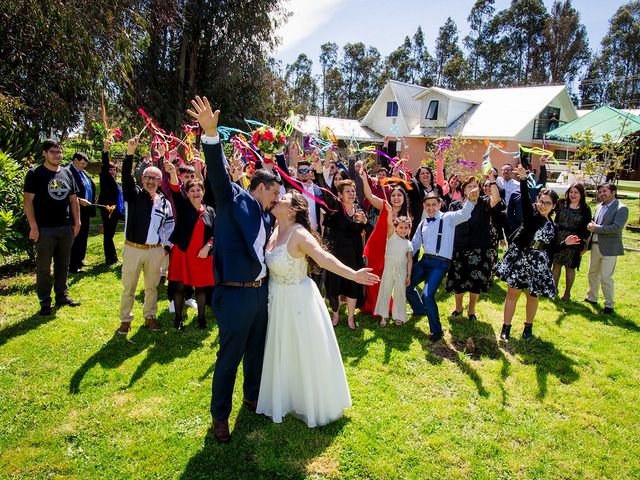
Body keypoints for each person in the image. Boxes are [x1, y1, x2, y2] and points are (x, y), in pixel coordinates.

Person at [187, 96, 282, 443]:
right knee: (229, 359)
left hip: (260, 297)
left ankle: (253, 396)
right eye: (274, 192)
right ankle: (219, 416)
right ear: (259, 188)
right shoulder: (233, 199)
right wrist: (211, 135)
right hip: (235, 295)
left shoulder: (267, 213)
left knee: (256, 352)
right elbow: (216, 173)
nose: (277, 198)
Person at [257, 192, 379, 427]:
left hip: (298, 301)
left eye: (282, 198)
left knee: (302, 350)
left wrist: (354, 274)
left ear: (292, 210)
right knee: (282, 348)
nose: (276, 199)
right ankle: (285, 394)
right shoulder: (274, 227)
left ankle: (311, 400)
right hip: (276, 299)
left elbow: (323, 259)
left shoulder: (299, 234)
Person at [496, 165, 580, 340]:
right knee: (513, 294)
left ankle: (528, 327)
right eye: (541, 202)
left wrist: (566, 243)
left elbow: (552, 250)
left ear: (554, 206)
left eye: (547, 203)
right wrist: (524, 179)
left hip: (538, 265)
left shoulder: (553, 226)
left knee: (532, 297)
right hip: (521, 259)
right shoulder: (531, 217)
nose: (543, 205)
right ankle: (506, 328)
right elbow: (525, 201)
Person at [117, 137, 175, 335]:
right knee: (129, 288)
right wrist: (130, 153)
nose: (151, 182)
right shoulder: (133, 195)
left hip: (155, 251)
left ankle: (150, 317)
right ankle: (125, 320)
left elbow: (168, 227)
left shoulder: (164, 202)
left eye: (155, 179)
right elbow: (126, 176)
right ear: (142, 179)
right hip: (133, 249)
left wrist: (166, 247)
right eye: (148, 178)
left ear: (160, 182)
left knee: (152, 288)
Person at [407, 189, 478, 341]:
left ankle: (437, 331)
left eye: (434, 204)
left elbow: (464, 214)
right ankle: (420, 310)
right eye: (427, 205)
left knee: (427, 295)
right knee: (406, 284)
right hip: (425, 261)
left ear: (439, 204)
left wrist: (471, 200)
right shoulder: (422, 224)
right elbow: (413, 246)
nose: (431, 208)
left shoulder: (448, 218)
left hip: (440, 263)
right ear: (424, 206)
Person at [23, 139, 81, 315]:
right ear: (44, 153)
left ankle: (62, 296)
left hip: (65, 227)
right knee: (43, 267)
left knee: (63, 264)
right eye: (53, 152)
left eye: (60, 152)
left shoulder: (67, 173)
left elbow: (73, 199)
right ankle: (45, 301)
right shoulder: (35, 174)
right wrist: (33, 226)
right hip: (44, 229)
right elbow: (28, 201)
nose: (58, 155)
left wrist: (77, 222)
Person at [164, 160, 215, 330]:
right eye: (192, 190)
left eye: (198, 190)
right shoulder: (183, 205)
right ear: (188, 193)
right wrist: (172, 173)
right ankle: (178, 319)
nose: (195, 193)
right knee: (179, 287)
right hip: (182, 252)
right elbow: (175, 190)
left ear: (203, 192)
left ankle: (201, 319)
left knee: (201, 288)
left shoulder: (210, 211)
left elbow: (216, 233)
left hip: (201, 254)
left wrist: (208, 246)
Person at [445, 172, 501, 321]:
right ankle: (458, 308)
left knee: (475, 282)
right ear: (464, 190)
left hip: (479, 247)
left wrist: (492, 180)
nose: (472, 188)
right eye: (469, 186)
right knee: (458, 280)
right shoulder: (455, 205)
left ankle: (472, 310)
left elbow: (497, 199)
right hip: (459, 247)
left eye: (475, 186)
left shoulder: (484, 202)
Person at [358, 165, 411, 316]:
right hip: (376, 245)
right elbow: (369, 196)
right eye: (393, 195)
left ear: (403, 198)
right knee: (374, 277)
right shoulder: (384, 206)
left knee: (387, 278)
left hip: (391, 249)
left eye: (399, 196)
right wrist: (364, 179)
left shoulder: (406, 216)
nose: (395, 198)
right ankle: (372, 306)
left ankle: (384, 305)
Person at [322, 179, 368, 329]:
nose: (351, 193)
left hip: (354, 256)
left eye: (353, 191)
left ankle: (350, 317)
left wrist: (365, 221)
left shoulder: (359, 210)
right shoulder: (334, 209)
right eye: (347, 191)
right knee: (333, 286)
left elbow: (368, 232)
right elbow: (323, 186)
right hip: (335, 255)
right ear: (340, 195)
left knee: (352, 286)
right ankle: (335, 315)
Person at [584, 183, 629, 314]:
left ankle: (609, 304)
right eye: (600, 192)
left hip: (609, 248)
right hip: (595, 246)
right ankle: (592, 297)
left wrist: (596, 228)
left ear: (613, 192)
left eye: (605, 191)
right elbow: (594, 223)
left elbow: (616, 228)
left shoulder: (621, 208)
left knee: (606, 277)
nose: (601, 194)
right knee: (592, 273)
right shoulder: (598, 207)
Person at [374, 202, 412, 326]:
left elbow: (410, 260)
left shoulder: (408, 244)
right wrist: (390, 212)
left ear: (409, 229)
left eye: (406, 228)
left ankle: (399, 316)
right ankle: (383, 315)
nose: (403, 230)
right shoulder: (391, 236)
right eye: (401, 227)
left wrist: (408, 275)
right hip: (389, 267)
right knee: (385, 289)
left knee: (400, 292)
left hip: (402, 270)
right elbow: (389, 223)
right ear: (396, 228)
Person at [552, 183, 592, 301]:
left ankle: (567, 293)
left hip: (575, 240)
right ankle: (553, 289)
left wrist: (582, 244)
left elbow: (587, 228)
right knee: (556, 265)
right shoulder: (562, 204)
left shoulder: (585, 208)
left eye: (576, 192)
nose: (573, 195)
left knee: (570, 268)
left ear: (581, 194)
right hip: (560, 238)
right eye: (571, 192)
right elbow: (556, 221)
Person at [67, 151, 96, 273]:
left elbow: (87, 186)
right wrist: (79, 200)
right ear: (75, 160)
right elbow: (67, 192)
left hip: (86, 209)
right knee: (76, 236)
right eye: (82, 163)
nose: (84, 166)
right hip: (75, 208)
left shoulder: (81, 172)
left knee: (83, 235)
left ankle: (79, 260)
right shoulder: (68, 172)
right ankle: (73, 265)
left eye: (85, 163)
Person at [99, 140, 125, 265]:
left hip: (117, 210)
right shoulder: (105, 179)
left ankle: (113, 256)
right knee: (108, 235)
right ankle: (110, 258)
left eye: (114, 170)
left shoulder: (116, 183)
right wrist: (105, 150)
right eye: (110, 170)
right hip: (108, 210)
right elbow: (104, 165)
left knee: (111, 234)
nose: (112, 171)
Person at [407, 165, 443, 236]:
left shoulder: (437, 188)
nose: (425, 175)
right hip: (419, 223)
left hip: (435, 224)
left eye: (427, 173)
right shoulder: (414, 187)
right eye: (422, 173)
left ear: (431, 175)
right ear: (418, 176)